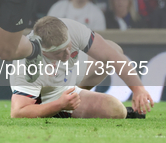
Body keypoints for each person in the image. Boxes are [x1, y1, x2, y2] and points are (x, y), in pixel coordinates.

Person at [10, 16, 153, 118]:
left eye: (68, 47)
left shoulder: (72, 28)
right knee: (116, 110)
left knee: (114, 48)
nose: (67, 54)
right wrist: (59, 104)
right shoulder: (28, 64)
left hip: (69, 76)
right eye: (59, 52)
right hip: (48, 94)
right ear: (44, 51)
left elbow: (112, 55)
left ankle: (74, 99)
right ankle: (59, 108)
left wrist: (138, 89)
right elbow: (18, 112)